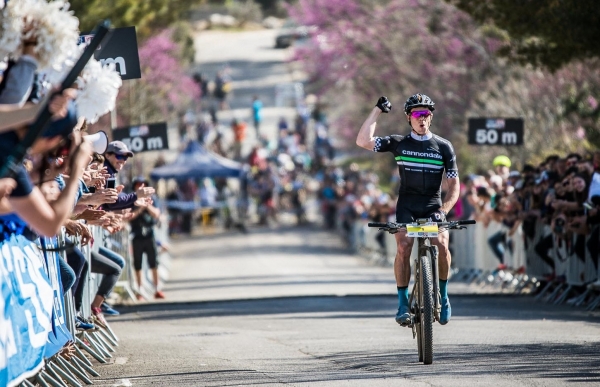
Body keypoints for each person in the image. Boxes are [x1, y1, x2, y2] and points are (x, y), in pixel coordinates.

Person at [356, 94, 460, 326]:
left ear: (431, 117)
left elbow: (454, 186)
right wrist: (377, 111)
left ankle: (443, 297)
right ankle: (403, 302)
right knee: (403, 246)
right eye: (416, 114)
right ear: (408, 118)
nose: (422, 119)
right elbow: (363, 141)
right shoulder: (399, 143)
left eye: (426, 114)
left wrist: (444, 210)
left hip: (433, 206)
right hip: (407, 206)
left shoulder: (444, 147)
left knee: (442, 244)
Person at [129, 177, 164, 300]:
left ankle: (157, 288)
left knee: (153, 262)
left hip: (149, 234)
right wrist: (140, 208)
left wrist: (147, 206)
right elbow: (129, 216)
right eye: (138, 185)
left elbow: (156, 214)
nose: (140, 187)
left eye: (142, 185)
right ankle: (140, 290)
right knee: (138, 265)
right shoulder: (131, 199)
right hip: (137, 234)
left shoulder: (153, 199)